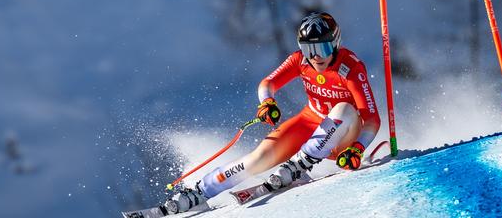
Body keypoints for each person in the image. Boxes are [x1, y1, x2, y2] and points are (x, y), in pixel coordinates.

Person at [163, 12, 381, 214]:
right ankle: (200, 192)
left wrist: (357, 149)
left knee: (344, 108)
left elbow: (371, 119)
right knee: (258, 158)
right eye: (308, 49)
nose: (315, 57)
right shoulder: (300, 60)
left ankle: (299, 165)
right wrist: (267, 102)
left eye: (322, 49)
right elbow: (268, 83)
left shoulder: (350, 67)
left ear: (335, 44)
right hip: (310, 122)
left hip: (344, 136)